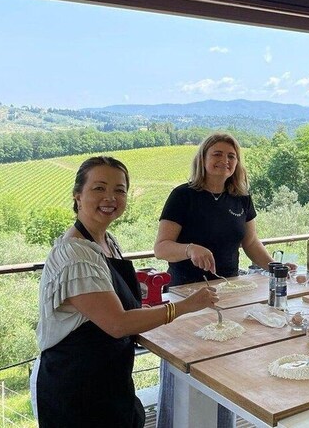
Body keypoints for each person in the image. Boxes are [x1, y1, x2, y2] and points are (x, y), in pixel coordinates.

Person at [30, 156, 217, 428]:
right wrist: (185, 306)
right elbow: (117, 323)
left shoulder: (106, 242)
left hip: (109, 380)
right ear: (77, 196)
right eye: (99, 188)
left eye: (119, 190)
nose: (110, 197)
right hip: (77, 391)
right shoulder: (75, 254)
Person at [154, 132, 291, 428]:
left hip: (230, 293)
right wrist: (190, 248)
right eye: (217, 154)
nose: (224, 161)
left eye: (231, 156)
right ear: (203, 158)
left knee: (225, 365)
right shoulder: (183, 196)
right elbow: (161, 247)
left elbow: (251, 243)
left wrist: (275, 266)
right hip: (186, 296)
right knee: (186, 368)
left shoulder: (241, 198)